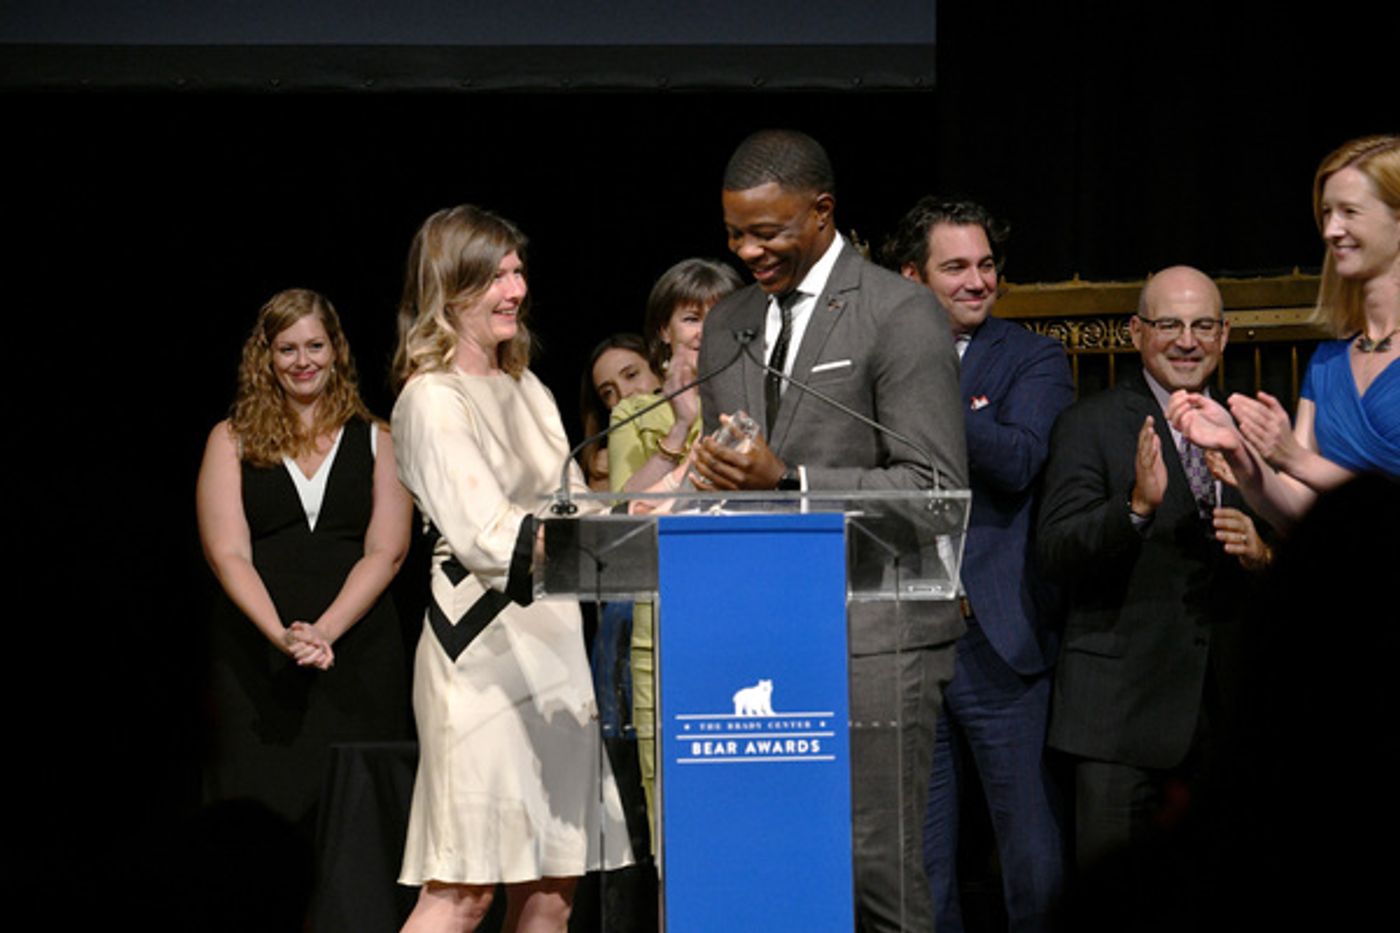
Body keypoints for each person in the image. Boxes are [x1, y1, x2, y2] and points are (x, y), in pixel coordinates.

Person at [692, 129, 968, 933]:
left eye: (769, 232)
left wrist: (792, 482)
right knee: (777, 865)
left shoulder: (901, 311)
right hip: (765, 636)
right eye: (735, 233)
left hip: (876, 633)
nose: (749, 250)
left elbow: (935, 487)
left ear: (822, 212)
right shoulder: (730, 322)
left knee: (875, 864)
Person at [389, 205, 631, 933]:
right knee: (464, 888)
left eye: (519, 271)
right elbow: (488, 534)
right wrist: (587, 531)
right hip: (480, 658)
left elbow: (577, 505)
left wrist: (653, 507)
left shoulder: (532, 390)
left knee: (553, 887)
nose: (516, 289)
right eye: (495, 276)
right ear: (449, 288)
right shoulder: (431, 398)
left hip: (554, 647)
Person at [1036, 266, 1269, 870]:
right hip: (1119, 720)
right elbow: (1056, 552)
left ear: (1223, 336)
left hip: (1230, 720)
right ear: (1137, 332)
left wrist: (1265, 555)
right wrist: (1135, 509)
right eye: (1169, 324)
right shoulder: (1088, 424)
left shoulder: (1255, 426)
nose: (1186, 340)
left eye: (1202, 326)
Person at [882, 197, 1071, 933]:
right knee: (921, 859)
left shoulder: (1031, 357)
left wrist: (925, 397)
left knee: (1029, 847)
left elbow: (1021, 458)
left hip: (995, 637)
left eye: (986, 264)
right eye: (955, 266)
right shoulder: (876, 361)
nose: (977, 280)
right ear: (910, 276)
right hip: (902, 639)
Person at [196, 288, 412, 835]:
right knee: (258, 812)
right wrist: (282, 637)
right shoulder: (231, 439)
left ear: (336, 349)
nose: (303, 361)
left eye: (315, 345)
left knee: (359, 821)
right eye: (287, 349)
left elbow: (387, 552)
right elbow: (228, 553)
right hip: (257, 657)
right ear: (265, 357)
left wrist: (324, 633)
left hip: (358, 653)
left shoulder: (379, 439)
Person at [1170, 134, 1399, 523]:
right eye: (1326, 213)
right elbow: (1295, 509)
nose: (1330, 230)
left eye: (1349, 212)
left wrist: (1296, 459)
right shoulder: (1328, 364)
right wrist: (1239, 450)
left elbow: (1306, 468)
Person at [604, 258, 742, 846]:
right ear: (664, 330)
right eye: (691, 316)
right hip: (662, 630)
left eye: (721, 313)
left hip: (743, 620)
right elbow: (621, 520)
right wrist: (683, 425)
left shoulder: (760, 401)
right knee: (678, 830)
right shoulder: (635, 413)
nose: (706, 328)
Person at [578, 333, 659, 490]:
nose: (624, 394)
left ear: (658, 367)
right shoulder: (605, 467)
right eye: (608, 392)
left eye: (631, 375)